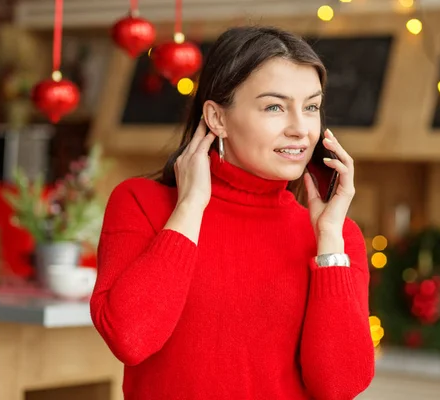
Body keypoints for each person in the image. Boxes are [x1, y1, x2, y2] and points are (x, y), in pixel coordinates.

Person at [90, 25, 375, 400]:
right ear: (217, 118)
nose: (301, 129)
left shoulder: (336, 236)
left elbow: (338, 386)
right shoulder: (142, 204)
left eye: (311, 107)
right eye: (274, 106)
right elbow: (131, 338)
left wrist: (330, 243)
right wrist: (190, 207)